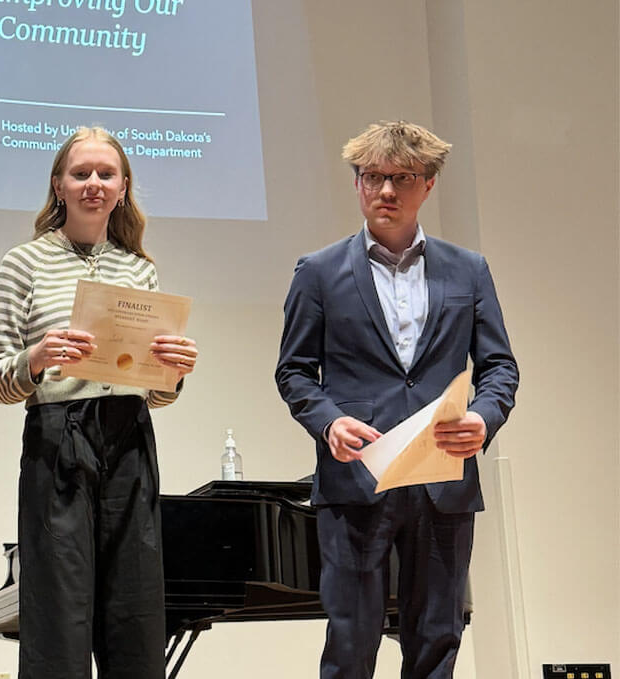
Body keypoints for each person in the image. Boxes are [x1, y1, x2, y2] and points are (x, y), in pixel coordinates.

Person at [275, 120, 519, 679]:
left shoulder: (469, 269)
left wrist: (483, 418)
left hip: (443, 482)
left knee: (438, 640)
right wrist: (329, 422)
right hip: (357, 479)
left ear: (427, 185)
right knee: (351, 644)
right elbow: (294, 372)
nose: (385, 191)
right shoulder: (318, 272)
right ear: (357, 184)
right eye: (372, 177)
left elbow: (500, 366)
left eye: (401, 178)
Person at [0, 126, 199, 679]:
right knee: (59, 614)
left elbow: (155, 390)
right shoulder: (23, 263)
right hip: (58, 437)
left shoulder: (139, 268)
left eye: (106, 174)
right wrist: (37, 357)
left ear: (123, 187)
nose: (93, 185)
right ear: (58, 185)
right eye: (81, 174)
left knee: (136, 610)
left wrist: (173, 374)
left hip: (129, 437)